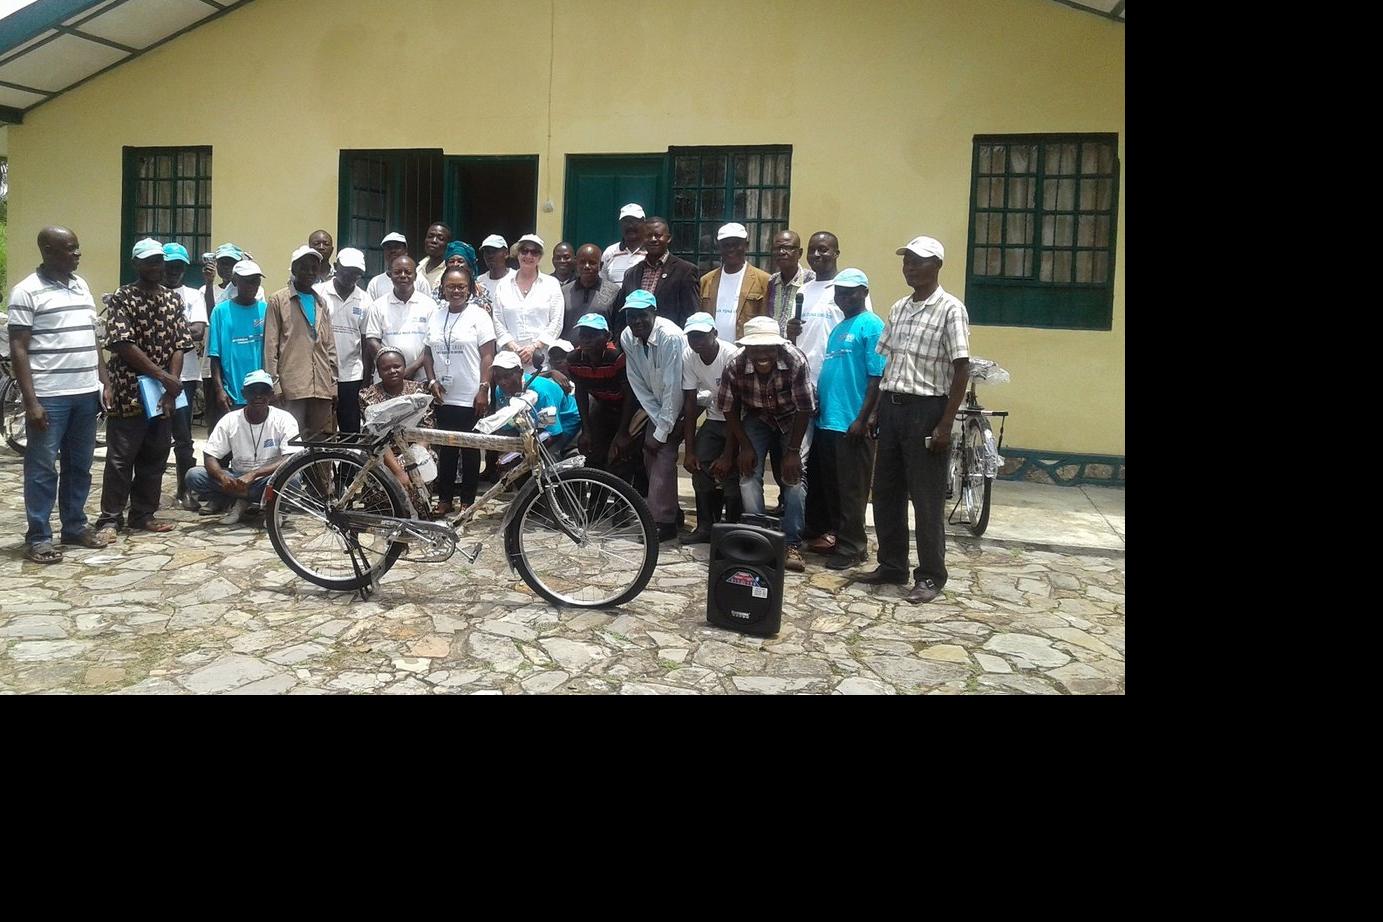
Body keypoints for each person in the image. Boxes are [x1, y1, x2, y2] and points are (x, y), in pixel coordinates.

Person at [861, 236, 971, 605]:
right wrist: (876, 410)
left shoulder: (951, 309)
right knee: (886, 492)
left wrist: (945, 424)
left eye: (918, 261)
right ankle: (892, 564)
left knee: (926, 499)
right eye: (906, 261)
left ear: (937, 265)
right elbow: (888, 363)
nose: (910, 268)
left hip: (928, 411)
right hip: (893, 408)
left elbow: (961, 369)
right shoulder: (899, 308)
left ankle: (930, 575)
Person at [6, 225, 111, 562]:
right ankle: (39, 537)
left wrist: (104, 381)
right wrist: (31, 401)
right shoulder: (26, 291)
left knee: (80, 465)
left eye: (77, 247)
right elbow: (19, 348)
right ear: (48, 251)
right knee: (42, 469)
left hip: (85, 393)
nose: (77, 253)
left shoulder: (81, 286)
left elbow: (92, 338)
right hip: (50, 396)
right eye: (69, 248)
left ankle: (74, 526)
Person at [94, 238, 196, 540]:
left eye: (159, 261)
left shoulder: (172, 299)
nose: (156, 266)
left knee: (156, 454)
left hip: (163, 395)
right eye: (149, 261)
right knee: (121, 457)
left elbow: (180, 343)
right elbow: (121, 343)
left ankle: (143, 514)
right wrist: (163, 376)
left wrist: (172, 385)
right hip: (129, 390)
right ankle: (110, 518)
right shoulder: (122, 298)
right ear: (135, 264)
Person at [716, 316, 815, 572]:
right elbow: (728, 408)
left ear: (778, 347)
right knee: (748, 474)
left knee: (794, 477)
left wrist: (792, 452)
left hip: (793, 417)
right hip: (757, 417)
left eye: (768, 348)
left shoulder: (795, 360)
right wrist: (745, 447)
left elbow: (805, 407)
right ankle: (758, 536)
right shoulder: (734, 364)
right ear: (746, 348)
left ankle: (791, 543)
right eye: (756, 348)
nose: (762, 355)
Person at [813, 270, 884, 570]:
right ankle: (839, 538)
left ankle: (854, 547)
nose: (844, 297)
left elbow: (877, 376)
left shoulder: (872, 324)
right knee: (833, 488)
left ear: (864, 292)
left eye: (850, 291)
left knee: (853, 489)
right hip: (828, 421)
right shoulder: (838, 328)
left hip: (853, 422)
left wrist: (865, 418)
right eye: (840, 292)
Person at [421, 265, 495, 515]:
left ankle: (467, 501)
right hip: (443, 395)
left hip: (471, 394)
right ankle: (445, 499)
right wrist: (432, 382)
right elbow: (427, 353)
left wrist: (483, 388)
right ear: (442, 289)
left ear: (469, 289)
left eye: (461, 286)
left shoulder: (479, 316)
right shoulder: (435, 315)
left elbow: (488, 355)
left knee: (470, 449)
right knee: (447, 449)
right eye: (450, 286)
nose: (456, 291)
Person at [185, 370, 300, 524]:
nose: (258, 396)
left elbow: (291, 458)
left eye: (263, 391)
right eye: (253, 391)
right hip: (237, 479)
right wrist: (222, 476)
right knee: (194, 475)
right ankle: (241, 499)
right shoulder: (230, 419)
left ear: (271, 395)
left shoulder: (284, 419)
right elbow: (210, 456)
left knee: (293, 480)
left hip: (269, 478)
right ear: (244, 394)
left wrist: (254, 474)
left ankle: (265, 505)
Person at [614, 289, 684, 542]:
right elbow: (637, 381)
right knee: (650, 452)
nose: (636, 321)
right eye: (631, 316)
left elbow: (674, 386)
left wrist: (663, 429)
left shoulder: (670, 337)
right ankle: (670, 512)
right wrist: (656, 421)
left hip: (685, 403)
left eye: (642, 315)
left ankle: (662, 523)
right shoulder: (627, 336)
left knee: (663, 454)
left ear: (654, 313)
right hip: (656, 405)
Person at [679, 312, 740, 544]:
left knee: (732, 473)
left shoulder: (731, 356)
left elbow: (736, 406)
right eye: (692, 336)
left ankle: (732, 530)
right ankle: (705, 526)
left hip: (739, 420)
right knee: (699, 466)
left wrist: (727, 454)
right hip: (715, 417)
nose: (696, 341)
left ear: (714, 333)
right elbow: (690, 401)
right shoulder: (689, 356)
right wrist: (689, 450)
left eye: (701, 336)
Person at [264, 245, 338, 437]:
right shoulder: (278, 300)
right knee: (290, 441)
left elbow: (330, 347)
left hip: (321, 387)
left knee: (322, 442)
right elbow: (270, 348)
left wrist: (333, 384)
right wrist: (275, 385)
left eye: (314, 268)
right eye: (304, 267)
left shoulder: (321, 302)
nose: (310, 272)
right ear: (294, 269)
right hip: (291, 387)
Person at [358, 346, 436, 516]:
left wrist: (413, 459)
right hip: (383, 453)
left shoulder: (419, 391)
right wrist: (398, 471)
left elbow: (427, 427)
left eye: (397, 366)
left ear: (404, 366)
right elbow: (376, 437)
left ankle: (420, 517)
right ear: (379, 372)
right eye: (386, 368)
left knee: (424, 467)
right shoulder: (368, 396)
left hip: (414, 451)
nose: (392, 371)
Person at [162, 242, 209, 508]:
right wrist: (181, 330)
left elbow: (198, 332)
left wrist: (162, 332)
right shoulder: (150, 293)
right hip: (152, 375)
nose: (174, 271)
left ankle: (185, 489)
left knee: (182, 435)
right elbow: (187, 332)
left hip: (186, 377)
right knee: (153, 435)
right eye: (170, 266)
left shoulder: (192, 295)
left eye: (179, 267)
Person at [205, 260, 268, 443]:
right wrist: (219, 390)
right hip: (232, 393)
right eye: (247, 281)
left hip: (259, 393)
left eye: (256, 281)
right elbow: (214, 356)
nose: (252, 286)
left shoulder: (265, 310)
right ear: (235, 281)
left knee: (256, 443)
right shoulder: (220, 311)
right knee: (229, 443)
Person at [566, 312, 634, 482]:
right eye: (583, 335)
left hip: (627, 408)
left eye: (592, 335)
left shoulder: (616, 358)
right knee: (594, 453)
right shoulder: (574, 359)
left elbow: (630, 395)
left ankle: (625, 496)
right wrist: (586, 430)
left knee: (622, 454)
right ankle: (596, 496)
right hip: (603, 405)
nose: (586, 340)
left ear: (607, 336)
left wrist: (623, 432)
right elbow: (581, 392)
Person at [611, 216, 701, 342]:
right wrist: (619, 343)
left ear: (668, 238)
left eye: (658, 235)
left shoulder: (685, 271)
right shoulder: (631, 274)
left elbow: (691, 314)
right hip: (636, 345)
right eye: (648, 236)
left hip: (671, 343)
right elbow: (621, 316)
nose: (653, 239)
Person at [316, 247, 373, 433]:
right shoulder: (318, 293)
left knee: (350, 428)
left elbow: (365, 341)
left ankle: (349, 455)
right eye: (347, 270)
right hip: (322, 372)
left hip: (352, 374)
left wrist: (366, 377)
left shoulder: (365, 300)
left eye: (356, 273)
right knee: (322, 426)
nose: (350, 276)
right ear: (336, 266)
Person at [493, 234, 564, 373]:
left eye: (534, 252)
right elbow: (497, 321)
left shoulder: (551, 284)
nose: (529, 256)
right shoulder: (503, 285)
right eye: (524, 251)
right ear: (517, 253)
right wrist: (515, 348)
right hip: (509, 363)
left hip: (541, 362)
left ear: (540, 256)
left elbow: (556, 321)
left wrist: (534, 348)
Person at [365, 254, 436, 382]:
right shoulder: (378, 305)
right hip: (388, 378)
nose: (403, 275)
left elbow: (432, 343)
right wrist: (391, 367)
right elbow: (372, 340)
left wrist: (412, 368)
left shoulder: (429, 305)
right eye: (397, 272)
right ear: (390, 275)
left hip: (421, 377)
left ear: (415, 276)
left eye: (408, 272)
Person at [699, 222, 770, 343]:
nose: (731, 250)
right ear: (719, 247)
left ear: (746, 245)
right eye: (726, 245)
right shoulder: (707, 280)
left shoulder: (763, 280)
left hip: (746, 349)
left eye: (736, 244)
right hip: (714, 350)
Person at [532, 339, 582, 455]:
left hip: (575, 428)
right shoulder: (548, 382)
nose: (558, 361)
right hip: (552, 428)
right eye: (554, 358)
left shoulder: (581, 376)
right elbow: (527, 379)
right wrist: (551, 373)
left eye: (562, 357)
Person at [561, 243, 619, 339]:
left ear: (601, 265)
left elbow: (617, 328)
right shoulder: (564, 292)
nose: (587, 266)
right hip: (568, 348)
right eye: (582, 262)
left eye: (592, 263)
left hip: (601, 348)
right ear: (576, 264)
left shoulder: (614, 292)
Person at [766, 230, 815, 336]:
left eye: (787, 248)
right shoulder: (772, 281)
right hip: (773, 344)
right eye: (777, 248)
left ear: (800, 253)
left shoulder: (811, 280)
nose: (781, 252)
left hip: (801, 344)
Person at [367, 232, 430, 301]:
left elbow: (428, 304)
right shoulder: (375, 283)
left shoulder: (420, 281)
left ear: (405, 251)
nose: (393, 251)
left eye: (397, 247)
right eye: (388, 248)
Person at [601, 203, 647, 284]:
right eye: (626, 222)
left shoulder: (651, 252)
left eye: (634, 222)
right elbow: (602, 284)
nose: (630, 226)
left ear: (644, 223)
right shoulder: (610, 252)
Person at [476, 234, 514, 305]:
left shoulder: (516, 279)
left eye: (494, 251)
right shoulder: (479, 282)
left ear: (506, 253)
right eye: (487, 251)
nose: (490, 255)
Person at [415, 222, 452, 293]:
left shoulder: (449, 271)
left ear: (448, 245)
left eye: (440, 238)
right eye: (430, 236)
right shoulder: (418, 268)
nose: (434, 241)